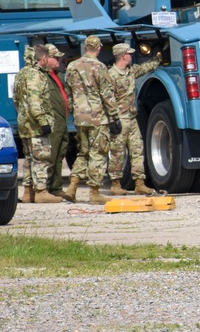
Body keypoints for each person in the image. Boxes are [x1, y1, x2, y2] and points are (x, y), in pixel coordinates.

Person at [63, 35, 121, 205]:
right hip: (97, 117)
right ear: (98, 48)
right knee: (99, 153)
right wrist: (114, 116)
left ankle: (72, 189)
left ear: (85, 47)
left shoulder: (72, 66)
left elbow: (69, 94)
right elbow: (106, 93)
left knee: (83, 152)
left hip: (80, 117)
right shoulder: (100, 66)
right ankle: (94, 192)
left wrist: (74, 113)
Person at [107, 43, 163, 195]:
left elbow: (145, 68)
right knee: (118, 152)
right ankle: (115, 184)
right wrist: (112, 120)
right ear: (123, 56)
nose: (131, 56)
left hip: (132, 118)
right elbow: (107, 99)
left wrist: (158, 59)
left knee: (137, 149)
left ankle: (139, 183)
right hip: (119, 119)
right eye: (129, 54)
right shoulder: (111, 75)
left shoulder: (130, 71)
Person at [13, 44, 62, 204]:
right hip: (36, 125)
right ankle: (41, 191)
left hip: (24, 124)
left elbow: (16, 100)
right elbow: (35, 102)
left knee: (29, 158)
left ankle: (28, 192)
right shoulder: (36, 75)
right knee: (41, 158)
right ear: (44, 58)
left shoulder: (21, 74)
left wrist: (23, 116)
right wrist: (43, 121)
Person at [43, 43, 70, 199]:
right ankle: (44, 189)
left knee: (60, 154)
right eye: (56, 57)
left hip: (61, 120)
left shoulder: (57, 75)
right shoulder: (42, 76)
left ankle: (56, 187)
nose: (60, 59)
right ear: (47, 58)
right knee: (50, 156)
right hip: (52, 121)